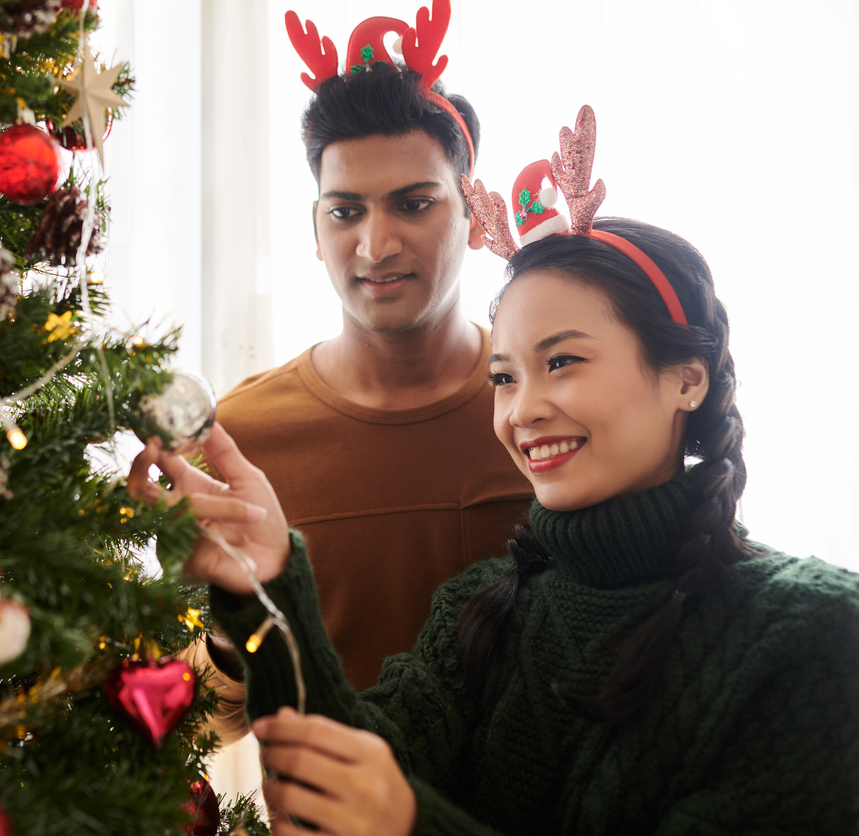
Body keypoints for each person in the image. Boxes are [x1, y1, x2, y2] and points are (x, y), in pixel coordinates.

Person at [131, 108, 859, 834]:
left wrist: (412, 824)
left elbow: (389, 809)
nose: (523, 411)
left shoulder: (811, 634)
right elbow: (345, 774)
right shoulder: (482, 614)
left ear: (686, 379)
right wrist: (265, 585)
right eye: (504, 378)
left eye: (563, 361)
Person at [185, 3, 531, 715]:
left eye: (414, 205)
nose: (376, 246)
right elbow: (202, 721)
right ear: (316, 231)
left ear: (473, 214)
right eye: (346, 212)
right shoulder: (239, 439)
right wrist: (232, 630)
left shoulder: (546, 411)